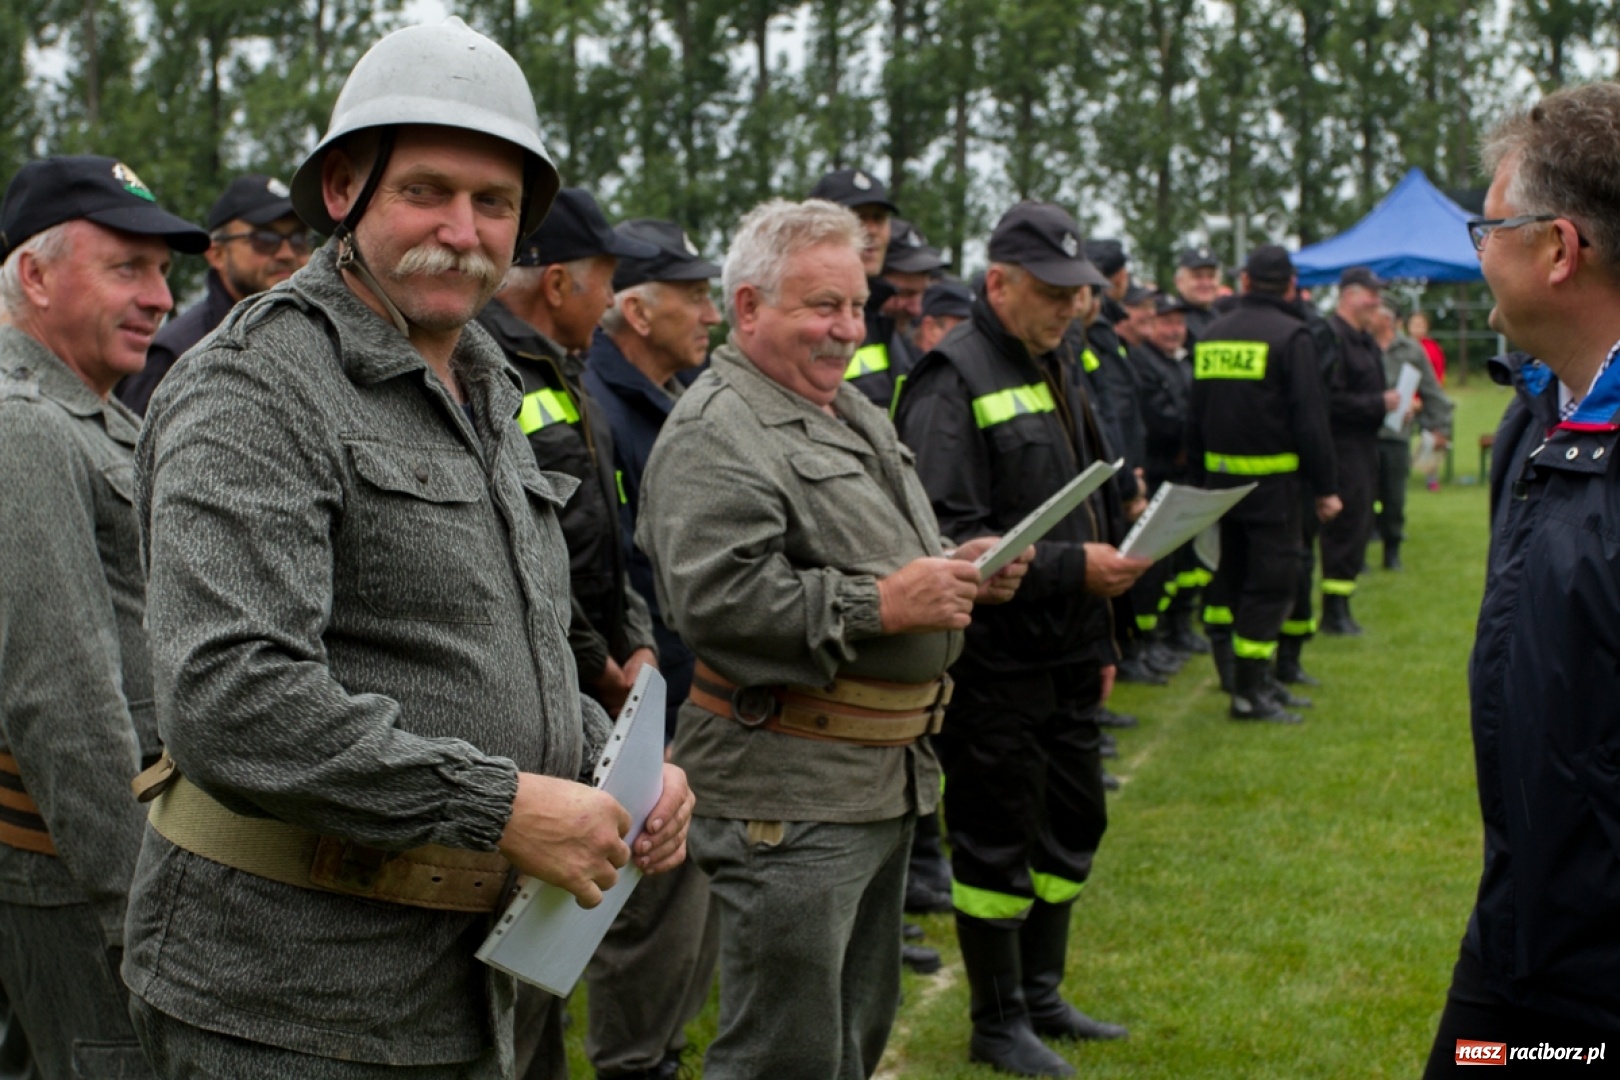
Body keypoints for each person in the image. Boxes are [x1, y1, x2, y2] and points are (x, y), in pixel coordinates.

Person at [123, 20, 694, 1077]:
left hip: (483, 977)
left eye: (495, 203)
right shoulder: (253, 387)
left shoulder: (488, 384)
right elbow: (230, 695)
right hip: (293, 1004)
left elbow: (490, 643)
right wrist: (508, 806)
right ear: (344, 189)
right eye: (427, 190)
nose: (463, 230)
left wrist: (620, 771)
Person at [638, 198, 1031, 1080]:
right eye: (822, 306)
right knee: (785, 1052)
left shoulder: (846, 406)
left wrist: (956, 566)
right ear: (747, 308)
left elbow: (875, 551)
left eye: (855, 305)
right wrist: (884, 607)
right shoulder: (717, 429)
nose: (847, 329)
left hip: (872, 782)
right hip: (788, 792)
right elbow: (717, 601)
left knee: (849, 1035)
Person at [895, 201, 1150, 1078]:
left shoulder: (1059, 362)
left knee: (1075, 822)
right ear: (996, 283)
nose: (1070, 308)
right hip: (999, 666)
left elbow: (1082, 490)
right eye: (1051, 293)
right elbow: (950, 536)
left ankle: (1041, 995)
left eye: (1077, 293)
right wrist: (1077, 569)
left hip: (1072, 651)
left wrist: (1113, 593)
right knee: (996, 841)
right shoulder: (949, 378)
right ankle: (996, 1024)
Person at [1424, 81, 1620, 1072]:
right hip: (1516, 931)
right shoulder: (1539, 416)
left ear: (1557, 249)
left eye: (1487, 226)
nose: (1477, 253)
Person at [0, 154, 207, 1080]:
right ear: (33, 275)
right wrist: (146, 919)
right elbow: (63, 701)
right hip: (85, 875)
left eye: (165, 272)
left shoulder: (87, 414)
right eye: (128, 267)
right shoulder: (26, 429)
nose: (161, 298)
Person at [582, 218, 723, 1080]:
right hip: (628, 693)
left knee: (682, 893)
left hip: (679, 684)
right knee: (643, 896)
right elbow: (598, 561)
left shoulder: (676, 398)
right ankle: (635, 1062)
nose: (710, 315)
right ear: (635, 311)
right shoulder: (599, 405)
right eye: (694, 297)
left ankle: (658, 1050)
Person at [476, 187, 663, 719]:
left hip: (598, 677)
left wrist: (634, 639)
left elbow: (607, 531)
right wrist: (596, 663)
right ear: (557, 284)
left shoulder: (566, 369)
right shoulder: (482, 370)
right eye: (606, 281)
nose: (610, 301)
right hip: (543, 689)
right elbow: (515, 543)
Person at [1185, 245, 1340, 723]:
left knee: (1231, 579)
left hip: (1217, 487)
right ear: (1290, 286)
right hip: (1273, 489)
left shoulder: (1210, 334)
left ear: (1246, 282)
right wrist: (1325, 487)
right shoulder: (1293, 336)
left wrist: (1195, 481)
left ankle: (1251, 680)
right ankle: (1251, 693)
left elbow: (1196, 415)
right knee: (1270, 587)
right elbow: (1311, 422)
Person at [118, 173, 310, 415]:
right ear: (217, 254)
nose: (287, 253)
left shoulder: (322, 341)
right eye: (265, 238)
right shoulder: (174, 356)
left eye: (298, 239)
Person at [1319, 266, 1400, 635]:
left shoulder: (1363, 339)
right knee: (1344, 526)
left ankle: (1343, 606)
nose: (1376, 303)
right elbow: (1330, 400)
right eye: (1371, 295)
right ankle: (1333, 612)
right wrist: (1378, 403)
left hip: (1365, 445)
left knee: (1360, 523)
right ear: (1349, 296)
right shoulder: (1331, 337)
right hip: (1341, 446)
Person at [807, 167, 906, 409]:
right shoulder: (805, 318)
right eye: (858, 217)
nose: (871, 229)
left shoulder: (880, 315)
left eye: (879, 218)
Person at [1369, 302, 1452, 570]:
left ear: (1391, 319)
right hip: (1361, 434)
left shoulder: (1410, 350)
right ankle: (1356, 556)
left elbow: (1432, 390)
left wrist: (1442, 428)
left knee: (1394, 497)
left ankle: (1391, 552)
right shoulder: (1358, 345)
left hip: (1396, 434)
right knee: (1359, 499)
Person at [1173, 245, 1223, 341]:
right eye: (1197, 276)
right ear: (1179, 281)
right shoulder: (1173, 320)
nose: (1205, 283)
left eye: (1211, 276)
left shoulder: (1218, 316)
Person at [1406, 310, 1447, 384]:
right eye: (1414, 323)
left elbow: (1439, 372)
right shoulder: (1402, 346)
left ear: (1426, 326)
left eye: (1420, 324)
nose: (1417, 327)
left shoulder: (1434, 348)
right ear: (1408, 326)